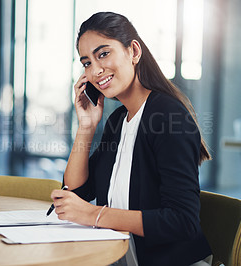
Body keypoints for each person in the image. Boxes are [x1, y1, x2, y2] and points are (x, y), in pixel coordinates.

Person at [50, 12, 212, 266]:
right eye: (86, 63)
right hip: (119, 258)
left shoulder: (167, 116)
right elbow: (77, 192)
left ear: (133, 51)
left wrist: (94, 214)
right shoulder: (118, 121)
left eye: (103, 54)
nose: (95, 70)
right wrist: (86, 126)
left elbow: (182, 222)